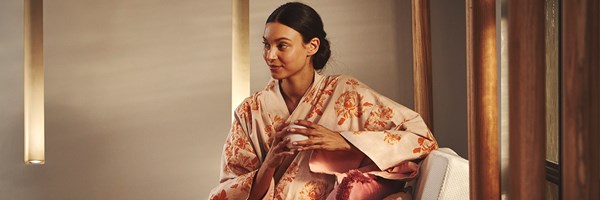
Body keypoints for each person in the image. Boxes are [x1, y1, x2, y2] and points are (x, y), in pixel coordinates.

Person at [209, 2, 437, 200]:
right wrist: (269, 164)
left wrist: (344, 141)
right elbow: (229, 192)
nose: (270, 55)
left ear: (312, 46)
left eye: (282, 45)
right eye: (266, 45)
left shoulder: (347, 93)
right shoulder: (250, 112)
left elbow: (422, 138)